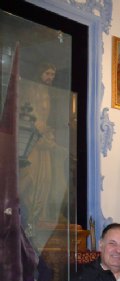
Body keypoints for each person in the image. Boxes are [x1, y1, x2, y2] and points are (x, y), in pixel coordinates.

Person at [19, 63, 69, 228]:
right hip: (32, 142)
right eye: (47, 73)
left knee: (45, 180)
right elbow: (28, 115)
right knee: (30, 178)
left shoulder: (48, 92)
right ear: (40, 73)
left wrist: (47, 131)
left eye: (53, 75)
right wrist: (40, 129)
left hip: (43, 142)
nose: (50, 78)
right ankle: (27, 218)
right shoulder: (30, 89)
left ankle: (37, 218)